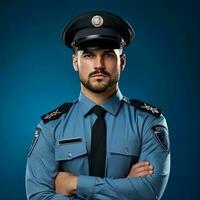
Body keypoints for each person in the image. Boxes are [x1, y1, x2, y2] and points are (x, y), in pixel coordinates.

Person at [25, 11, 170, 200]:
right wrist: (126, 187)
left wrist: (74, 184)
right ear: (75, 62)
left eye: (108, 55)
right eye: (89, 55)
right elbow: (38, 197)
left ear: (122, 62)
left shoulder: (148, 122)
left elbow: (148, 193)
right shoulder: (51, 126)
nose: (98, 65)